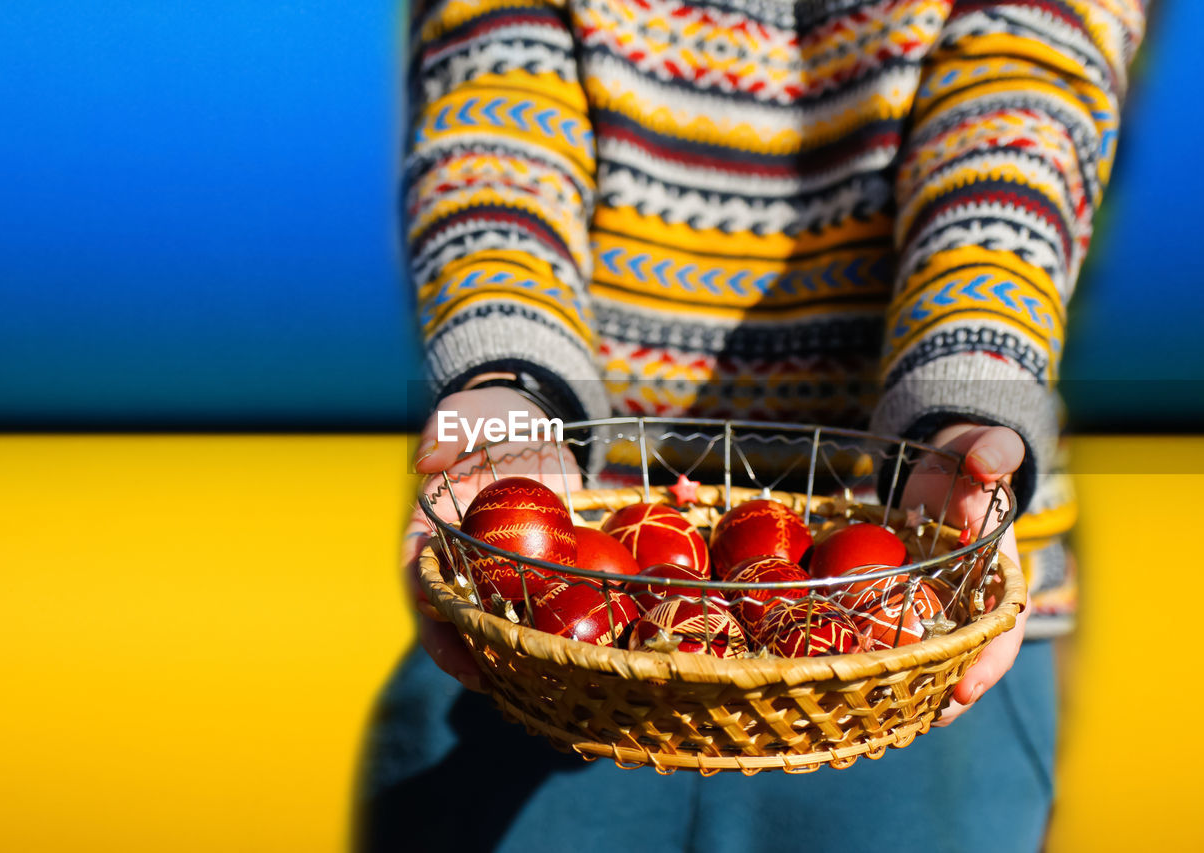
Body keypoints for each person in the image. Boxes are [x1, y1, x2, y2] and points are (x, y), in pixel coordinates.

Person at [360, 2, 1144, 850]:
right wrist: (509, 380)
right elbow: (497, 110)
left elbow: (1016, 113)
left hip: (921, 602)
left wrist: (966, 396)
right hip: (537, 633)